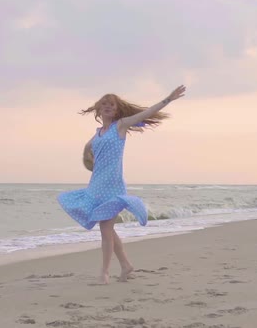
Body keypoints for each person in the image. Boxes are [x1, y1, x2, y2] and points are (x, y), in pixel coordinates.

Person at [57, 85, 187, 284]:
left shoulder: (121, 125)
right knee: (107, 228)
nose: (108, 107)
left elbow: (147, 112)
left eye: (111, 104)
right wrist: (86, 155)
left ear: (117, 109)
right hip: (95, 187)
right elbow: (88, 147)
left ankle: (104, 273)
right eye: (104, 104)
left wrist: (168, 99)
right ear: (98, 110)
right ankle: (126, 265)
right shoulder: (98, 132)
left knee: (105, 230)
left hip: (112, 187)